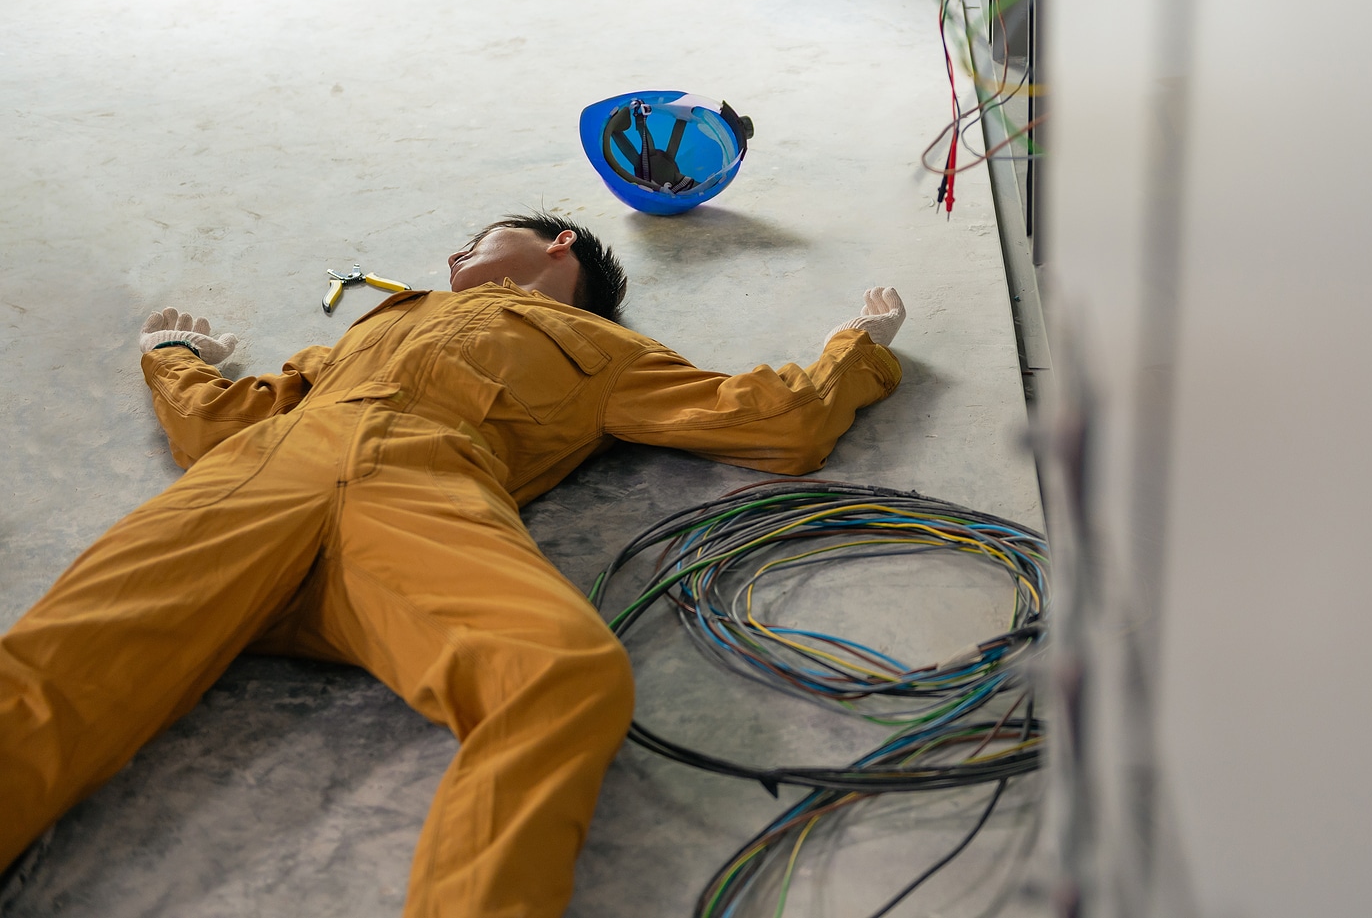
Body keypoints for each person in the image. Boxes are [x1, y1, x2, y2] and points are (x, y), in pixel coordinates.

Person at [0, 213, 908, 918]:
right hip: (265, 473)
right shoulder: (375, 322)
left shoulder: (607, 350)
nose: (449, 258)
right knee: (53, 664)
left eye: (476, 239)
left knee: (560, 677)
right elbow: (227, 423)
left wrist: (855, 348)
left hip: (425, 498)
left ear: (559, 245)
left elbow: (773, 422)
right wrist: (175, 361)